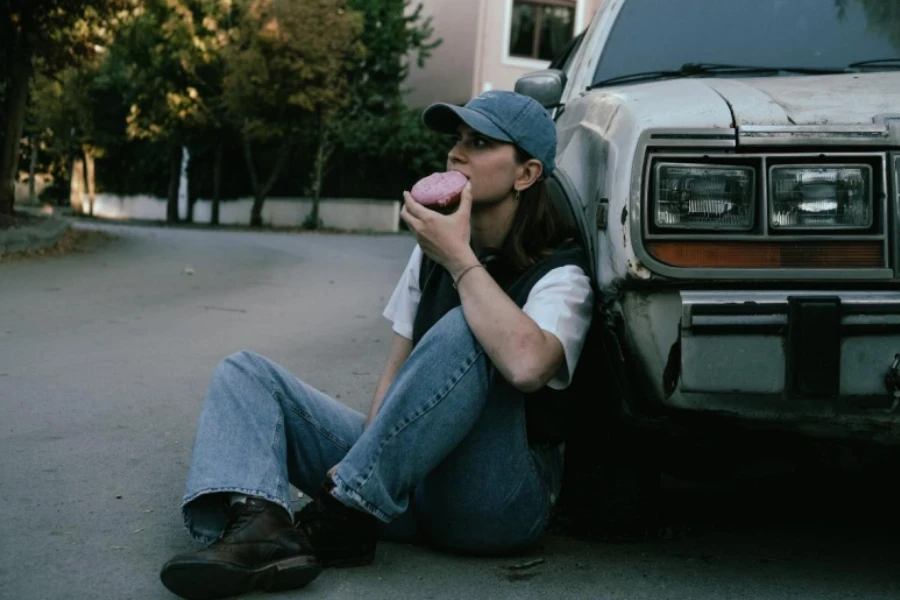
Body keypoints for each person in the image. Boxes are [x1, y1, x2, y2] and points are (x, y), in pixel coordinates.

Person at [159, 90, 595, 600]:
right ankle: (258, 528)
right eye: (456, 140)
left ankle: (342, 511)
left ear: (526, 174)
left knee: (470, 323)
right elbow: (395, 375)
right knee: (244, 373)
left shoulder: (562, 273)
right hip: (407, 491)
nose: (456, 153)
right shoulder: (433, 254)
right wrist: (366, 462)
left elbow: (527, 365)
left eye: (479, 142)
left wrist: (459, 261)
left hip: (495, 505)